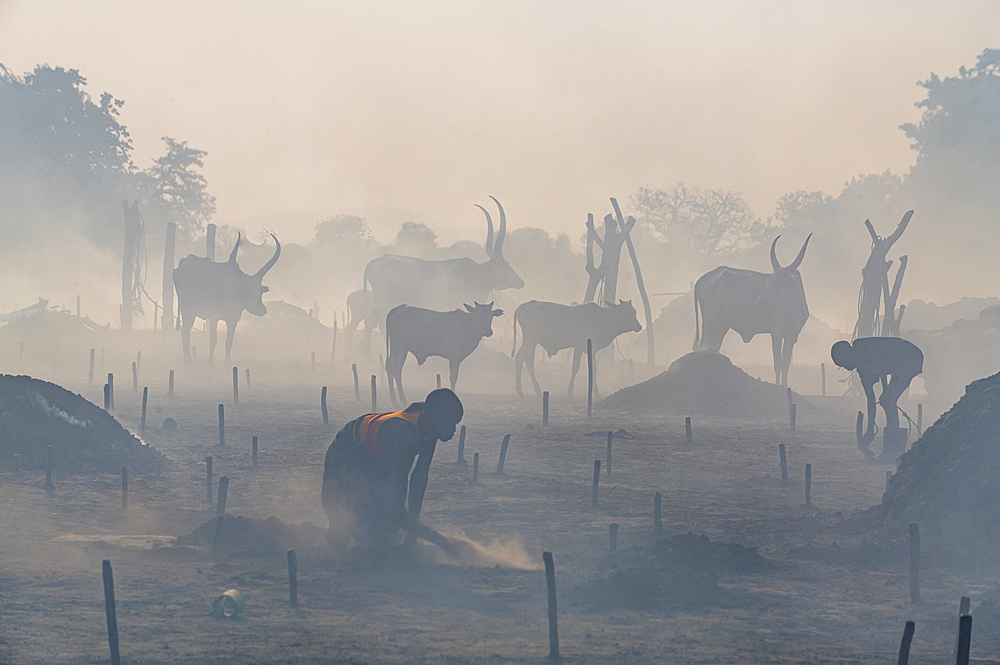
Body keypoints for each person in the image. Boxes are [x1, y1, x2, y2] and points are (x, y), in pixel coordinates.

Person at [322, 388, 464, 548]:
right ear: (434, 418)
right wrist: (444, 543)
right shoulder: (405, 434)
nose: (453, 430)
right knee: (350, 529)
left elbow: (419, 479)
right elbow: (398, 503)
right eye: (451, 424)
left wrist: (412, 537)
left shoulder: (430, 426)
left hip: (379, 455)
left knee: (385, 524)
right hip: (349, 447)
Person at [831, 337, 923, 462]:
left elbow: (882, 369)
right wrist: (870, 430)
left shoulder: (863, 349)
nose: (847, 369)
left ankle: (891, 450)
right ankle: (892, 446)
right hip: (900, 362)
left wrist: (887, 397)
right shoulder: (862, 368)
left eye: (843, 364)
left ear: (847, 354)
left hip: (909, 357)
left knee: (887, 400)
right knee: (887, 400)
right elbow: (871, 399)